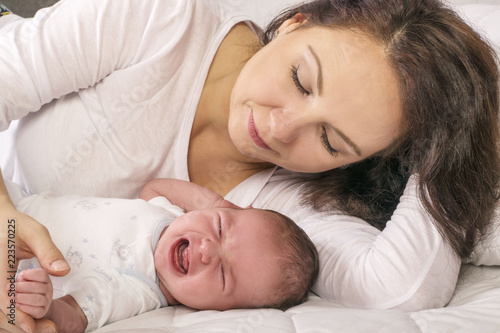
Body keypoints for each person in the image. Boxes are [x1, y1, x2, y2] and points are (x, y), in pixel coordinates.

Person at [0, 0, 498, 331]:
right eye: (302, 80)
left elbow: (397, 290)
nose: (281, 130)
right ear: (296, 22)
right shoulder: (163, 18)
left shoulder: (286, 205)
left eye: (329, 139)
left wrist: (451, 142)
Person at [7, 178, 318, 332]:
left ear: (219, 310)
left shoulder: (138, 289)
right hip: (11, 199)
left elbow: (74, 315)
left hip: (11, 253)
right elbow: (153, 188)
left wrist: (44, 304)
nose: (208, 249)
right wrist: (217, 202)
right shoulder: (169, 214)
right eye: (221, 227)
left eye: (225, 274)